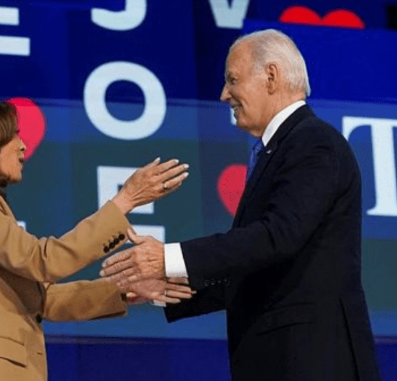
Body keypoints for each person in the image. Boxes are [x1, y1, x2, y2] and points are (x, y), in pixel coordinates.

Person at [100, 29, 381, 381]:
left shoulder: (314, 143)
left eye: (232, 80)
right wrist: (165, 289)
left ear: (272, 76)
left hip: (314, 360)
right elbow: (256, 269)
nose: (223, 95)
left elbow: (277, 237)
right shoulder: (280, 150)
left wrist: (168, 258)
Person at [0, 98, 191, 381]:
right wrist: (125, 199)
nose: (22, 146)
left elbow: (44, 299)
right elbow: (43, 260)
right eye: (13, 135)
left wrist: (125, 291)